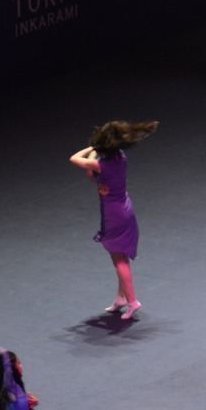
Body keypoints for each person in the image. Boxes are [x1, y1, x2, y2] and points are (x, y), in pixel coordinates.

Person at [70, 120, 159, 320]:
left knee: (119, 259)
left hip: (113, 213)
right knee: (120, 256)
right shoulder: (121, 157)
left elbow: (74, 158)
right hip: (125, 206)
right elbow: (92, 173)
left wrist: (93, 147)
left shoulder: (99, 163)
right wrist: (99, 151)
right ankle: (121, 298)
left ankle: (133, 301)